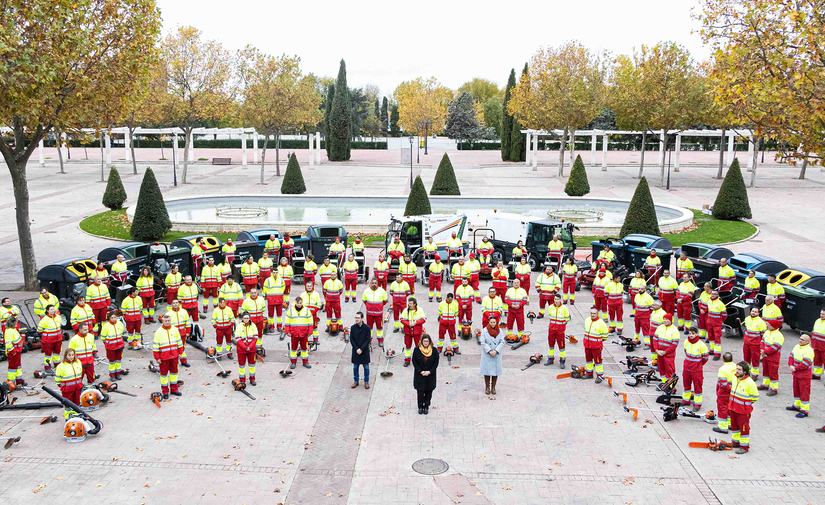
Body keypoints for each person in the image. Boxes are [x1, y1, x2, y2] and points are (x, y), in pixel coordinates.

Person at [729, 361, 759, 454]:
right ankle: (735, 442)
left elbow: (755, 397)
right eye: (736, 369)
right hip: (733, 408)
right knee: (734, 426)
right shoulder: (734, 378)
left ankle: (744, 447)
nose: (737, 371)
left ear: (745, 371)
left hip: (743, 411)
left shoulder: (750, 383)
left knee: (744, 428)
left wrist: (746, 404)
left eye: (739, 369)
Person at [153, 314, 184, 399]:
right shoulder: (158, 332)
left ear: (170, 321)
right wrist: (157, 358)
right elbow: (155, 347)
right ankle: (165, 392)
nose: (167, 322)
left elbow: (179, 342)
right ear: (162, 321)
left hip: (174, 356)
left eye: (168, 321)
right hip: (164, 358)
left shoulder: (175, 330)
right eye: (165, 321)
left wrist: (180, 352)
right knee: (163, 375)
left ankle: (174, 390)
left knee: (174, 374)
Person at [682, 328, 710, 411]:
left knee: (697, 387)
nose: (691, 335)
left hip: (696, 370)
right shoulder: (686, 342)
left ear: (697, 334)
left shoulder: (702, 345)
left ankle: (697, 404)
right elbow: (685, 352)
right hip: (686, 368)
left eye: (693, 333)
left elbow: (705, 357)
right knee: (686, 385)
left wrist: (698, 365)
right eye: (690, 333)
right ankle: (686, 400)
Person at [787, 334, 814, 418]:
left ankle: (804, 411)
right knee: (796, 390)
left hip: (804, 375)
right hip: (796, 373)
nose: (800, 340)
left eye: (802, 339)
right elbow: (791, 356)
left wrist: (795, 368)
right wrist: (791, 365)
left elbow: (806, 363)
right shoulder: (797, 347)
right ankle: (797, 405)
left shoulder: (809, 350)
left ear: (807, 342)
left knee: (804, 393)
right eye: (800, 338)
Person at [412, 334, 439, 415]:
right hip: (419, 375)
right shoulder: (417, 350)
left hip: (430, 376)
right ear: (421, 341)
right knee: (420, 393)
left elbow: (436, 363)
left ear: (429, 341)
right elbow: (414, 362)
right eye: (424, 341)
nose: (426, 343)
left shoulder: (434, 350)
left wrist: (429, 371)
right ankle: (420, 407)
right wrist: (421, 371)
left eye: (427, 341)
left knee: (428, 392)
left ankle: (426, 406)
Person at [284, 297, 312, 369]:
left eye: (300, 303)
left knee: (304, 348)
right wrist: (287, 331)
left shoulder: (306, 310)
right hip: (294, 333)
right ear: (295, 303)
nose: (299, 305)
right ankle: (293, 362)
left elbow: (310, 321)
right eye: (298, 303)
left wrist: (310, 331)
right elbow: (287, 322)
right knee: (293, 349)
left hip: (304, 333)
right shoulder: (290, 310)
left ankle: (305, 362)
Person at [55, 348, 83, 417]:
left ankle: (77, 416)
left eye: (73, 355)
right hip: (67, 390)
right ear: (66, 356)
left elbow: (80, 374)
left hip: (77, 388)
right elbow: (57, 380)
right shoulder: (61, 366)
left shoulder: (78, 363)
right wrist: (64, 387)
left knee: (77, 403)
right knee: (68, 406)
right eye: (69, 355)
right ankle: (68, 418)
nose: (71, 357)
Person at [713, 352, 737, 434]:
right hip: (734, 391)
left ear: (723, 360)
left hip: (724, 392)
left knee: (722, 408)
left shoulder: (722, 369)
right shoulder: (736, 367)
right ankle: (730, 424)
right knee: (730, 407)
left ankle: (723, 427)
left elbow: (723, 383)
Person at [759, 320, 784, 395]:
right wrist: (762, 350)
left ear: (774, 326)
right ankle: (765, 385)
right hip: (766, 356)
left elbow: (775, 347)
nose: (767, 326)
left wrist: (764, 352)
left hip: (773, 358)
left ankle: (774, 389)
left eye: (769, 325)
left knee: (773, 373)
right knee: (765, 371)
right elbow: (762, 341)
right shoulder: (767, 332)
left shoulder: (779, 336)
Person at [480, 317, 505, 395]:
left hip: (496, 354)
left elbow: (502, 342)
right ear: (489, 322)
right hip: (487, 354)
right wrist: (489, 351)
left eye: (494, 322)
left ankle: (493, 387)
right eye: (491, 322)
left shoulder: (500, 331)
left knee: (495, 371)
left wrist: (496, 350)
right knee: (487, 371)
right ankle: (487, 387)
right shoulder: (484, 331)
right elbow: (483, 342)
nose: (493, 324)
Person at [583, 307, 609, 382]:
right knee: (588, 360)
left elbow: (605, 336)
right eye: (591, 313)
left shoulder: (601, 323)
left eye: (594, 313)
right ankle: (589, 373)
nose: (592, 315)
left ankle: (600, 376)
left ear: (597, 314)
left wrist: (597, 342)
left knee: (598, 362)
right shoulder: (587, 320)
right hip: (587, 345)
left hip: (596, 346)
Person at [100, 311, 127, 380]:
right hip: (110, 348)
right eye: (112, 318)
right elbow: (103, 337)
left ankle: (117, 374)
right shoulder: (106, 326)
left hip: (119, 346)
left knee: (118, 361)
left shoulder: (120, 324)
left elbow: (121, 333)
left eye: (115, 317)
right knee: (112, 362)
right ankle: (112, 375)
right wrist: (107, 344)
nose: (113, 319)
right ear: (109, 318)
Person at [545, 294, 570, 368]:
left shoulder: (564, 308)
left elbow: (567, 319)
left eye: (558, 299)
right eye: (555, 299)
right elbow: (550, 316)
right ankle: (550, 359)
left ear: (560, 300)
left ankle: (562, 361)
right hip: (551, 330)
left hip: (560, 331)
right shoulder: (550, 307)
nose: (556, 301)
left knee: (561, 347)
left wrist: (561, 327)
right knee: (551, 345)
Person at [234, 312, 259, 386]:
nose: (246, 320)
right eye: (244, 318)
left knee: (252, 365)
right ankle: (242, 380)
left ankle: (252, 379)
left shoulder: (253, 326)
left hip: (251, 350)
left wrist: (250, 347)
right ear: (242, 318)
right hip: (242, 350)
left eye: (247, 318)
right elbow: (238, 339)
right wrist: (245, 347)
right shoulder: (239, 326)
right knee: (241, 366)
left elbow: (255, 337)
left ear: (249, 318)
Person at [165, 300, 191, 368]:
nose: (175, 304)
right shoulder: (169, 314)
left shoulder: (184, 312)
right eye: (174, 303)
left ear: (179, 303)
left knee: (182, 348)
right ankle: (174, 362)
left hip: (182, 334)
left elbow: (187, 322)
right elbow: (166, 325)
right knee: (173, 349)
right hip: (173, 335)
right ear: (171, 304)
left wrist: (188, 332)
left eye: (176, 303)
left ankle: (183, 361)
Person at [36, 305, 63, 372]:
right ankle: (47, 367)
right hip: (48, 340)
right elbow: (39, 330)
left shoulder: (58, 317)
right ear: (47, 311)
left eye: (53, 309)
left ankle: (57, 364)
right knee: (48, 354)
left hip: (58, 339)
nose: (52, 311)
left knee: (57, 352)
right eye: (51, 309)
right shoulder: (44, 320)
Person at [401, 297, 427, 366]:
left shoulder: (420, 310)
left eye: (411, 304)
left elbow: (424, 319)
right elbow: (402, 319)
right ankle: (407, 360)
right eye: (409, 303)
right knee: (408, 347)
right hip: (408, 332)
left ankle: (419, 360)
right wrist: (408, 324)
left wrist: (416, 323)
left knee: (418, 346)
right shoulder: (405, 310)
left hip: (417, 332)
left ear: (415, 304)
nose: (409, 305)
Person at [742, 307, 767, 380]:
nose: (753, 313)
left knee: (755, 359)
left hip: (755, 344)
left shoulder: (761, 322)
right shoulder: (747, 319)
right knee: (746, 358)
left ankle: (755, 375)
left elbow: (763, 335)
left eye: (755, 312)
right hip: (746, 342)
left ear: (758, 313)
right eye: (752, 311)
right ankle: (747, 372)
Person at [362, 278, 388, 347]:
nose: (374, 284)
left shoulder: (382, 291)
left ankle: (380, 340)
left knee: (380, 328)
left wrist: (378, 307)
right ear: (370, 283)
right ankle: (369, 340)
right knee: (369, 328)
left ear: (377, 283)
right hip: (369, 314)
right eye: (372, 283)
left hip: (379, 314)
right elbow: (364, 300)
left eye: (375, 283)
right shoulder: (366, 291)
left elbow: (385, 301)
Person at [655, 315, 680, 383]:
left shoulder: (675, 330)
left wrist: (665, 352)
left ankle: (671, 386)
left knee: (670, 370)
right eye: (664, 319)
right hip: (660, 353)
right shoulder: (660, 328)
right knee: (661, 369)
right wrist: (656, 350)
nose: (665, 321)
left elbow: (674, 345)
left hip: (669, 355)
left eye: (667, 319)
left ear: (671, 320)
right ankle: (664, 384)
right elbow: (655, 339)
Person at [350, 312, 371, 389]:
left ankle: (366, 381)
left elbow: (367, 340)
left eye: (358, 318)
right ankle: (356, 381)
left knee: (366, 367)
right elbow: (351, 339)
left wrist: (361, 349)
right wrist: (357, 349)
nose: (356, 319)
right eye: (356, 318)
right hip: (356, 351)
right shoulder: (353, 328)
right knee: (355, 367)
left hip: (364, 351)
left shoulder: (367, 328)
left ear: (362, 318)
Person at [299, 282, 323, 347]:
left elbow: (319, 304)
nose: (309, 287)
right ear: (306, 287)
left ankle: (316, 339)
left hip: (313, 315)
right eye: (308, 286)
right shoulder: (302, 295)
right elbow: (300, 304)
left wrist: (314, 311)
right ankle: (304, 340)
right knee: (304, 327)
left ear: (312, 286)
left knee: (314, 328)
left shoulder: (316, 294)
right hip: (305, 315)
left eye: (310, 286)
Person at [705, 289, 727, 359]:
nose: (713, 295)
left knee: (717, 338)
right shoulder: (709, 301)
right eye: (712, 294)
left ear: (717, 295)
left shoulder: (720, 304)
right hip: (710, 322)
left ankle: (717, 354)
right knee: (710, 337)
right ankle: (712, 350)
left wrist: (720, 321)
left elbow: (724, 315)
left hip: (717, 324)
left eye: (715, 294)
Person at [3, 316, 24, 385]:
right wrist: (13, 352)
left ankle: (18, 381)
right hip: (14, 353)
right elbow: (8, 344)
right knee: (13, 368)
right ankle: (11, 383)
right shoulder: (9, 331)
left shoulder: (13, 330)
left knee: (18, 367)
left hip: (17, 352)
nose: (17, 324)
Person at [648, 301, 666, 367]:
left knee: (657, 348)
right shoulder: (654, 312)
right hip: (652, 333)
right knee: (653, 348)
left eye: (654, 305)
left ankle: (658, 362)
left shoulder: (663, 313)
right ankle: (654, 360)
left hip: (658, 335)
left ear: (659, 306)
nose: (653, 306)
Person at [812, 309, 825, 379]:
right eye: (821, 314)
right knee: (817, 361)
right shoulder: (817, 321)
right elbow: (814, 332)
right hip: (816, 346)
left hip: (824, 347)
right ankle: (816, 374)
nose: (821, 315)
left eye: (823, 314)